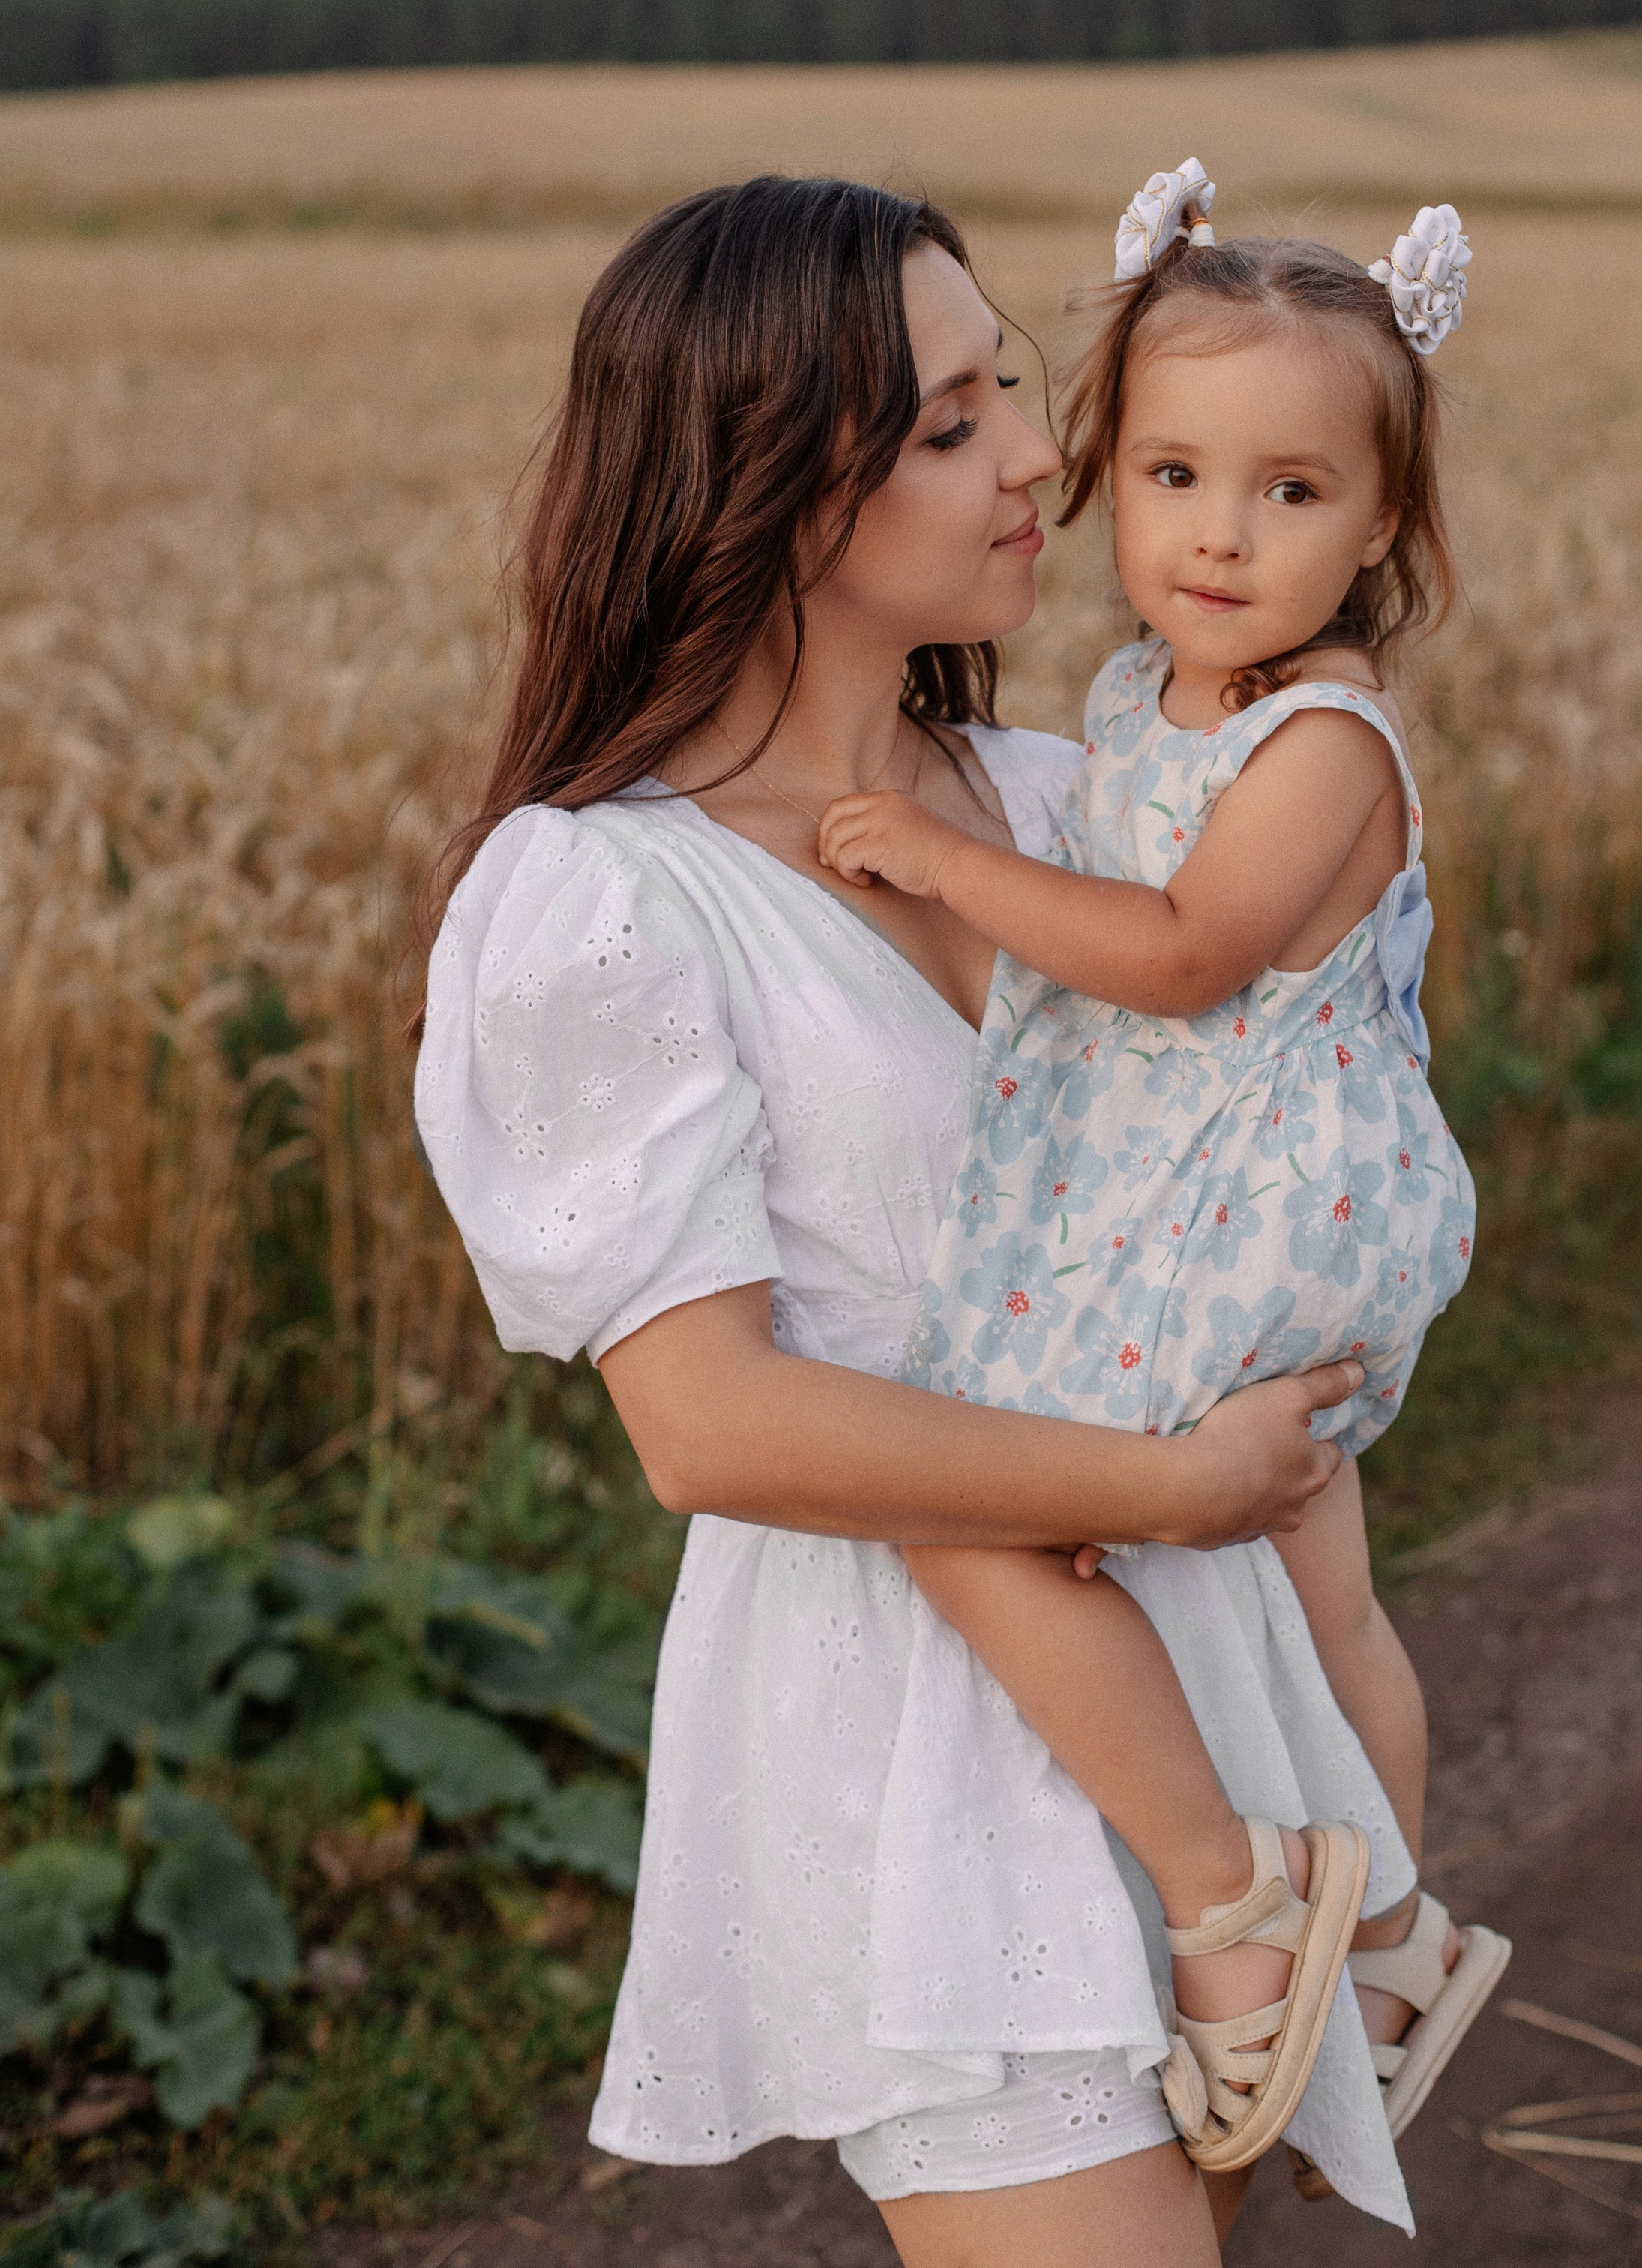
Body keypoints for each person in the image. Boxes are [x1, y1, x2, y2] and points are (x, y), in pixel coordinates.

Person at [415, 172, 1419, 2264]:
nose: (1043, 458)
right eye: (955, 422)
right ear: (772, 482)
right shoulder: (608, 898)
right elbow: (711, 1425)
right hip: (919, 1743)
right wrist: (1168, 1477)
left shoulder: (1076, 810)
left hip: (1209, 1675)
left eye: (1016, 393)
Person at [816, 165, 1510, 2173]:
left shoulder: (1322, 743)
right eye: (1177, 474)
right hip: (1183, 1178)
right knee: (1306, 1578)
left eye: (1294, 493)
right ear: (1108, 477)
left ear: (1383, 527)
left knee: (1027, 1514)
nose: (1221, 532)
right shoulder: (1148, 694)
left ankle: (1290, 1923)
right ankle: (1371, 1934)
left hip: (1279, 1198)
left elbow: (1189, 956)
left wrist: (950, 863)